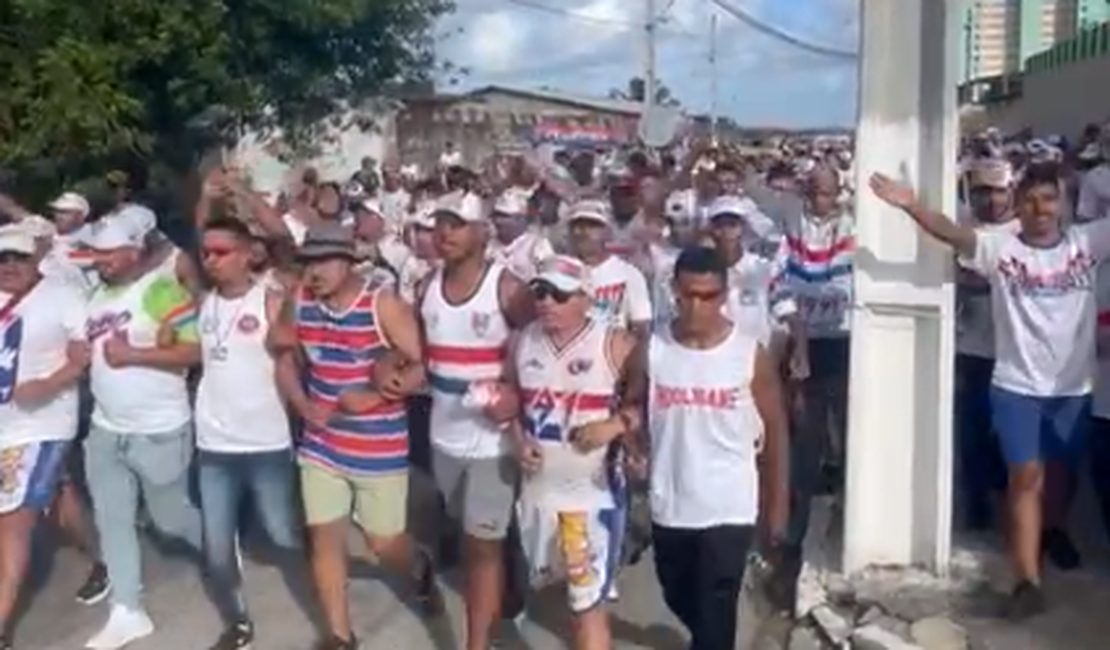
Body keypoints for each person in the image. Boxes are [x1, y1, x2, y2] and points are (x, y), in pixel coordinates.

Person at [869, 165, 1110, 619]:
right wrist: (909, 204)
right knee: (1025, 478)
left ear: (1063, 204)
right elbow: (953, 234)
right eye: (1032, 200)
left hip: (1073, 389)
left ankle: (1049, 531)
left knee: (1059, 478)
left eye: (1049, 199)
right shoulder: (1002, 249)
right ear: (1018, 205)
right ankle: (1026, 581)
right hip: (1016, 386)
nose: (1041, 209)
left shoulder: (1087, 242)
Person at [272, 223, 439, 650]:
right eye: (308, 262)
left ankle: (419, 565)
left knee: (383, 543)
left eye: (325, 261)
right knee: (325, 539)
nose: (314, 272)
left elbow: (426, 365)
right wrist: (300, 403)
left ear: (349, 263)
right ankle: (340, 637)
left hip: (377, 446)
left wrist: (375, 394)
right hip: (321, 445)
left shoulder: (382, 305)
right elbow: (283, 354)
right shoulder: (301, 300)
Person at [632, 246, 789, 650]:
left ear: (725, 295)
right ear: (674, 292)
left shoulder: (748, 354)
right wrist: (631, 444)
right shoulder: (653, 348)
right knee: (678, 594)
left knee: (717, 608)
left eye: (710, 296)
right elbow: (632, 405)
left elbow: (775, 432)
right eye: (689, 295)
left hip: (729, 506)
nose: (698, 307)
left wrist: (776, 508)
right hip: (672, 502)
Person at [81, 217, 203, 649]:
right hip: (105, 428)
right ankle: (127, 610)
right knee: (112, 520)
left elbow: (196, 348)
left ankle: (220, 545)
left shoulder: (162, 289)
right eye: (96, 254)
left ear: (135, 251)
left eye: (109, 253)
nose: (101, 262)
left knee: (171, 518)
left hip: (159, 429)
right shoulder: (94, 296)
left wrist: (133, 354)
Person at [418, 190, 531, 650]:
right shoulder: (425, 286)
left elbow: (538, 347)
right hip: (443, 438)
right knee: (474, 539)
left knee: (481, 550)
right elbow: (416, 352)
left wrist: (516, 397)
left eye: (457, 224)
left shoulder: (506, 287)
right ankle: (511, 590)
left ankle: (477, 643)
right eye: (440, 222)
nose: (445, 232)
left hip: (493, 445)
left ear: (483, 232)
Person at [508, 255, 639, 650]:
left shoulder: (615, 343)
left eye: (559, 294)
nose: (547, 301)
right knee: (561, 593)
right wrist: (517, 439)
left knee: (586, 607)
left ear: (586, 298)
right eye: (540, 292)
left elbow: (651, 403)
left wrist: (614, 426)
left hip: (591, 497)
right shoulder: (522, 339)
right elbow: (509, 398)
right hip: (537, 493)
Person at [194, 218, 300, 650]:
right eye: (206, 253)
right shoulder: (203, 303)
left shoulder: (269, 299)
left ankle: (328, 578)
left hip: (266, 443)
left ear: (245, 255)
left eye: (220, 252)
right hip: (213, 445)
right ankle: (238, 622)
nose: (210, 260)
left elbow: (294, 359)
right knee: (217, 547)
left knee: (282, 534)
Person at [0, 225, 90, 650]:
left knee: (10, 525)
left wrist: (49, 384)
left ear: (35, 258)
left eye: (18, 257)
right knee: (60, 500)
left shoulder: (61, 294)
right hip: (5, 426)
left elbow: (82, 354)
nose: (10, 265)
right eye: (2, 258)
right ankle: (107, 556)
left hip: (41, 425)